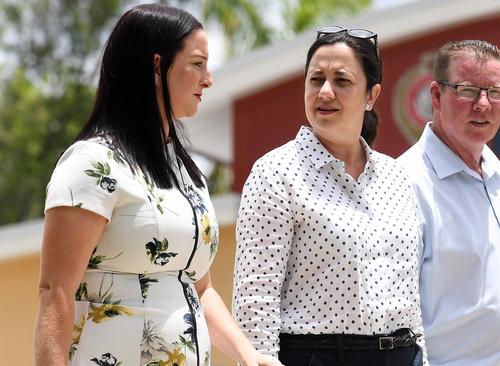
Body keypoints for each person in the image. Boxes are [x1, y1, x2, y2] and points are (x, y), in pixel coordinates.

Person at [34, 4, 282, 366]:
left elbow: (200, 286)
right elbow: (54, 292)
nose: (208, 78)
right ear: (156, 67)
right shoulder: (92, 164)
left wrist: (248, 356)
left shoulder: (187, 173)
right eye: (197, 64)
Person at [232, 26, 427, 366]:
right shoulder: (276, 172)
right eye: (315, 79)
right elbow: (255, 298)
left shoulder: (396, 176)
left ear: (372, 95)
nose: (325, 91)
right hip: (318, 356)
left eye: (342, 80)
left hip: (402, 354)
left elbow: (408, 293)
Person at [399, 40, 500, 365]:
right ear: (436, 96)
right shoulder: (406, 183)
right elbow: (392, 319)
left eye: (495, 92)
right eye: (468, 90)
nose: (483, 104)